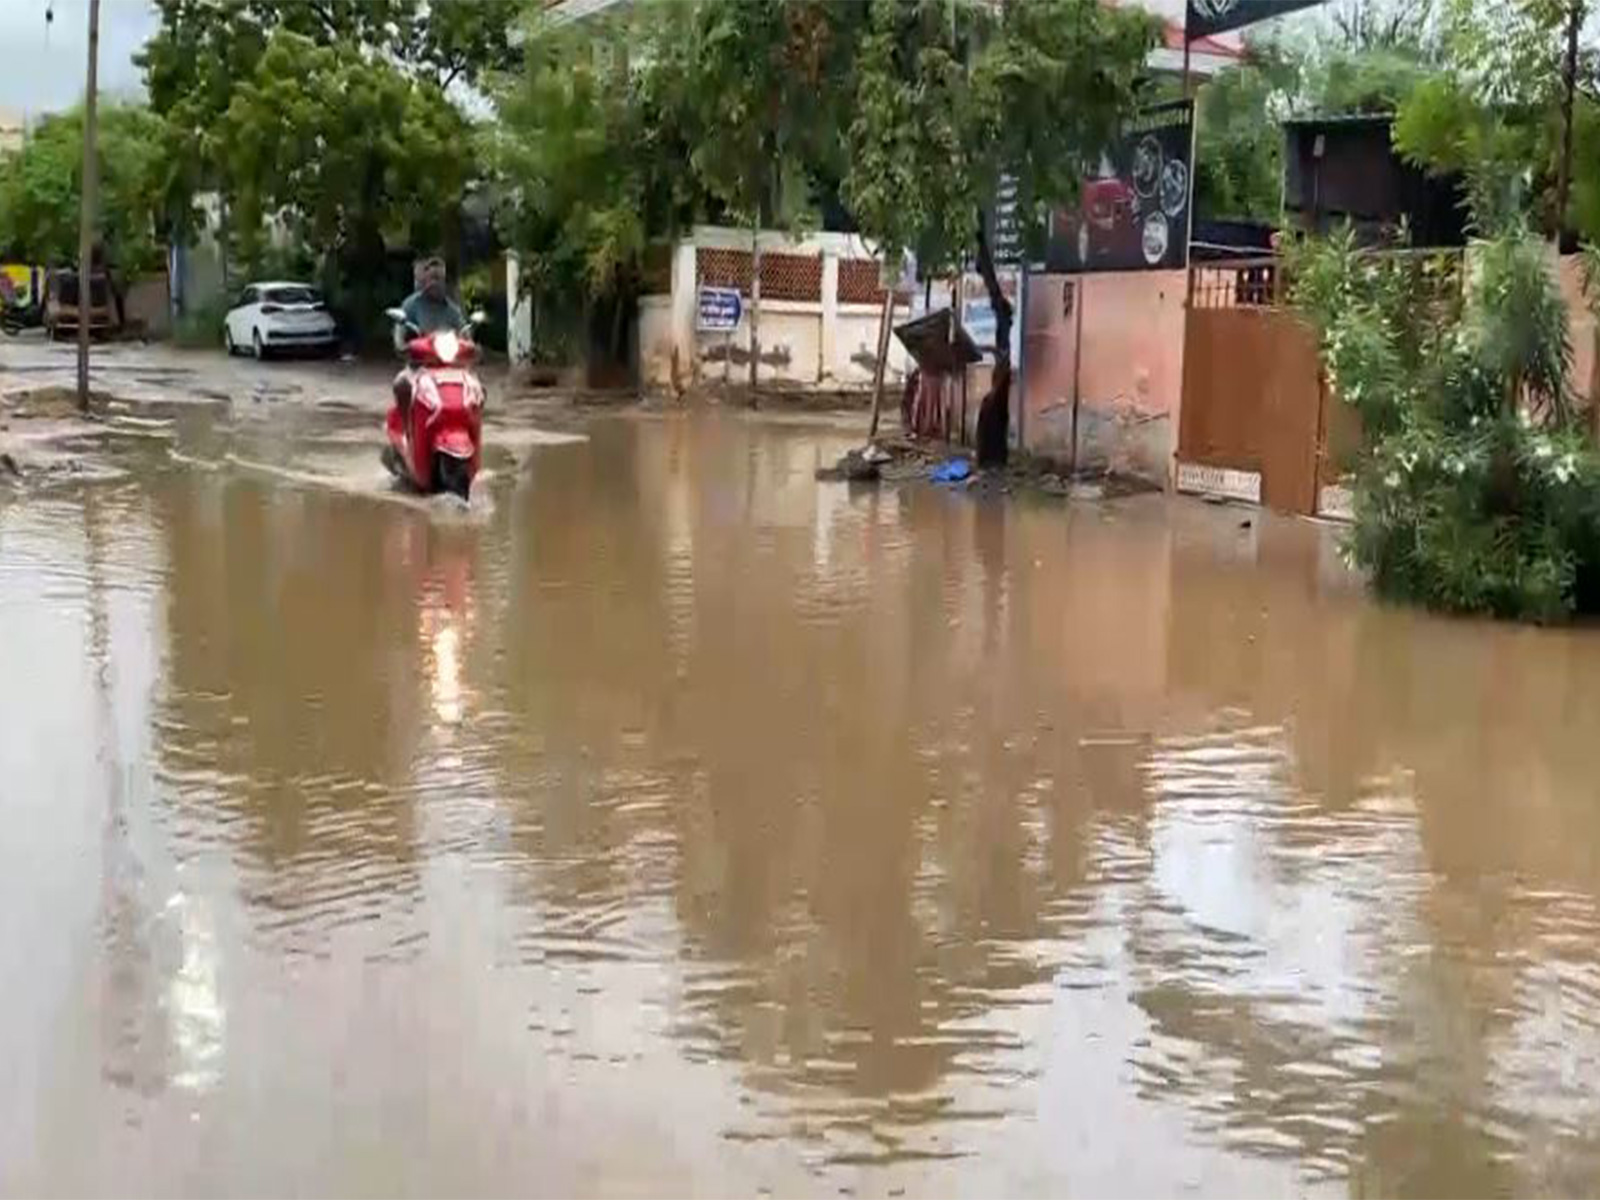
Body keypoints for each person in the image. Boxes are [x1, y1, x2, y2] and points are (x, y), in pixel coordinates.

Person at [393, 256, 463, 416]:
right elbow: (400, 330)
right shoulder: (411, 305)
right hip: (418, 366)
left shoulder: (453, 310)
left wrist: (471, 348)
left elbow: (464, 334)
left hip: (449, 368)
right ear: (424, 279)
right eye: (431, 278)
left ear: (444, 281)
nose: (434, 283)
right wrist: (402, 346)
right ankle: (408, 429)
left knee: (476, 389)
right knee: (401, 384)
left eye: (438, 278)